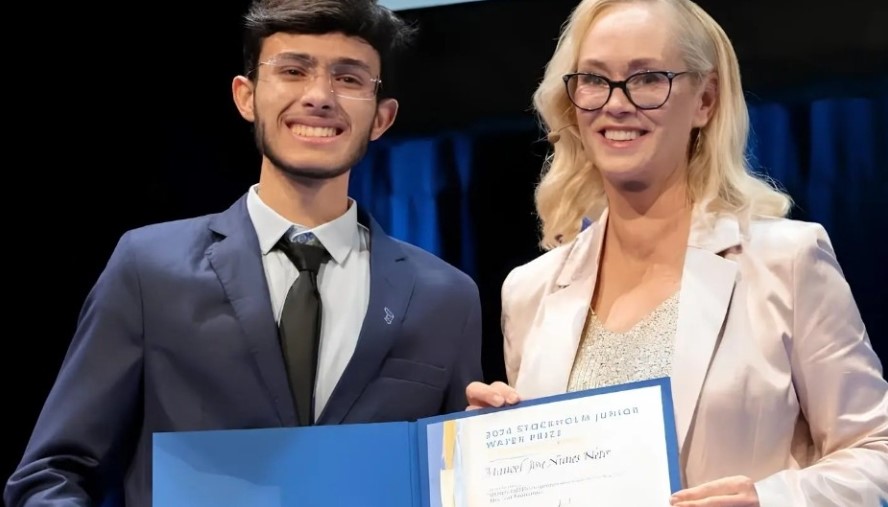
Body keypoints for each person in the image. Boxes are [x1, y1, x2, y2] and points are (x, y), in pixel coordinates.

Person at [6, 1, 483, 505]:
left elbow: (457, 483)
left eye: (349, 79)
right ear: (246, 96)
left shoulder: (445, 297)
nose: (319, 96)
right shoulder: (149, 268)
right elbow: (54, 472)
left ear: (382, 117)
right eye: (293, 71)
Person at [466, 0, 888, 505]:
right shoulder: (529, 290)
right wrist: (491, 454)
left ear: (705, 100)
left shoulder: (787, 260)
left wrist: (770, 500)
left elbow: (875, 450)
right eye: (595, 80)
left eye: (647, 79)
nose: (616, 104)